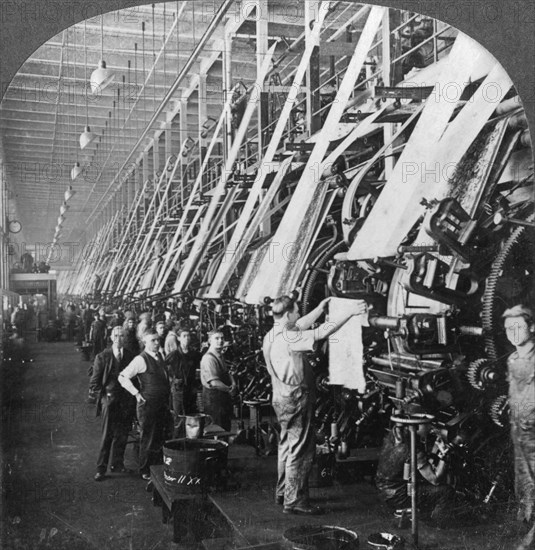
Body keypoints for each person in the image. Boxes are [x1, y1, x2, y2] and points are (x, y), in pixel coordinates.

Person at [262, 295, 368, 515]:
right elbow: (320, 333)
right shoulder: (290, 338)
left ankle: (282, 492)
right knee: (300, 449)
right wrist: (350, 312)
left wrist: (320, 309)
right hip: (295, 398)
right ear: (288, 313)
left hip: (280, 397)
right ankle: (295, 501)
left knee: (286, 445)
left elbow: (301, 325)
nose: (299, 315)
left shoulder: (272, 334)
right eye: (297, 311)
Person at [375, 423, 455, 526]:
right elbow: (435, 479)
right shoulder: (413, 450)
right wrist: (444, 455)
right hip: (399, 497)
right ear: (415, 426)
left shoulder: (391, 438)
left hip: (383, 491)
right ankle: (438, 524)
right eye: (427, 424)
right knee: (446, 491)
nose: (430, 427)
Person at [503, 305, 535, 550]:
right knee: (524, 483)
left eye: (519, 326)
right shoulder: (513, 359)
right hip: (520, 433)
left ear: (532, 327)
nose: (513, 332)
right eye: (508, 327)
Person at [119, 330, 171, 480]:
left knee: (159, 437)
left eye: (157, 340)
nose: (156, 343)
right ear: (144, 342)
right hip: (148, 405)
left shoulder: (160, 356)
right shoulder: (140, 359)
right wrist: (136, 393)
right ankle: (145, 470)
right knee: (148, 438)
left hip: (161, 404)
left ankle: (156, 468)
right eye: (152, 340)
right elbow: (122, 377)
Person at [89, 327, 136, 481]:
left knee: (122, 434)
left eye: (122, 335)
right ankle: (101, 468)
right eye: (116, 335)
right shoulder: (102, 357)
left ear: (125, 338)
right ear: (110, 337)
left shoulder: (130, 355)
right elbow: (94, 384)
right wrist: (104, 400)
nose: (118, 338)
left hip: (126, 400)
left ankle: (117, 464)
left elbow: (135, 378)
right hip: (109, 400)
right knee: (107, 435)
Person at [166, 329, 201, 435]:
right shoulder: (174, 355)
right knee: (179, 417)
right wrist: (172, 380)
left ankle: (190, 441)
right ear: (179, 338)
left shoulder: (194, 355)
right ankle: (178, 442)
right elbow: (163, 369)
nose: (187, 338)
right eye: (184, 336)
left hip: (191, 389)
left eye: (188, 336)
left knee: (191, 416)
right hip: (178, 390)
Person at [200, 330, 237, 432]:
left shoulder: (220, 356)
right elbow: (214, 383)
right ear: (210, 341)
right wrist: (230, 390)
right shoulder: (208, 359)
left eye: (222, 338)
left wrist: (233, 383)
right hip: (213, 401)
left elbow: (227, 372)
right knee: (216, 430)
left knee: (224, 429)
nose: (220, 341)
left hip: (222, 398)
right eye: (216, 338)